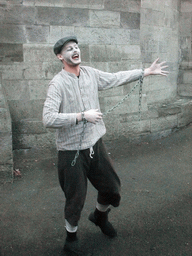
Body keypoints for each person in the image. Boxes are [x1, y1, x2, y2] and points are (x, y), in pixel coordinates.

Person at [42, 35, 169, 255]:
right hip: (71, 151)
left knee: (112, 188)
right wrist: (82, 115)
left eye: (76, 47)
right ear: (60, 56)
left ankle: (99, 216)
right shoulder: (57, 84)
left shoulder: (91, 73)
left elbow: (115, 78)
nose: (75, 50)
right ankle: (70, 238)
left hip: (95, 145)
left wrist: (145, 72)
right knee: (75, 199)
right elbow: (48, 118)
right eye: (69, 49)